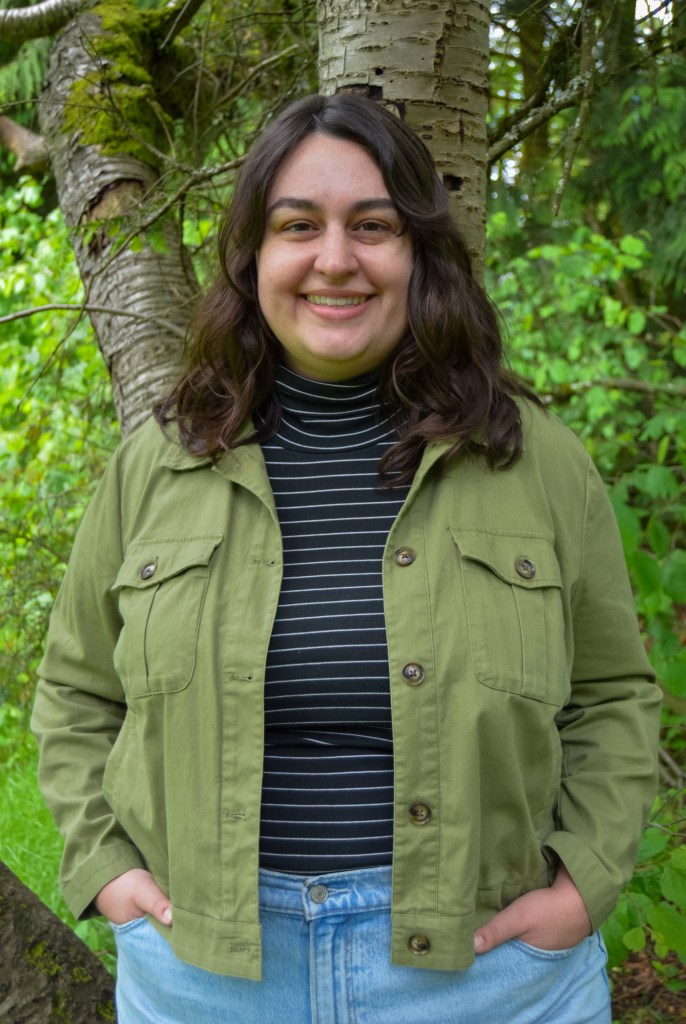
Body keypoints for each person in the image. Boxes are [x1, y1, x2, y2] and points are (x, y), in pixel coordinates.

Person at [32, 93, 661, 1024]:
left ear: (421, 254)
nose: (336, 259)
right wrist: (109, 871)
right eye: (299, 226)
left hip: (491, 976)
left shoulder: (535, 461)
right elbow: (77, 694)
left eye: (373, 225)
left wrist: (582, 884)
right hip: (207, 976)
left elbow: (613, 697)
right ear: (254, 257)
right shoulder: (156, 467)